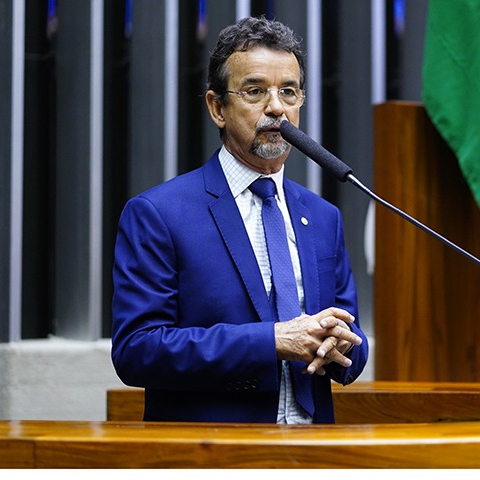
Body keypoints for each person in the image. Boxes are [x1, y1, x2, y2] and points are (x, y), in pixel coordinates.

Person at [111, 16, 368, 424]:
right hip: (216, 448)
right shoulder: (158, 214)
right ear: (218, 108)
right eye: (255, 91)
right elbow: (137, 350)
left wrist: (344, 343)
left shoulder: (323, 217)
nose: (276, 107)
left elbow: (352, 340)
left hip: (314, 446)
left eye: (289, 92)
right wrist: (271, 341)